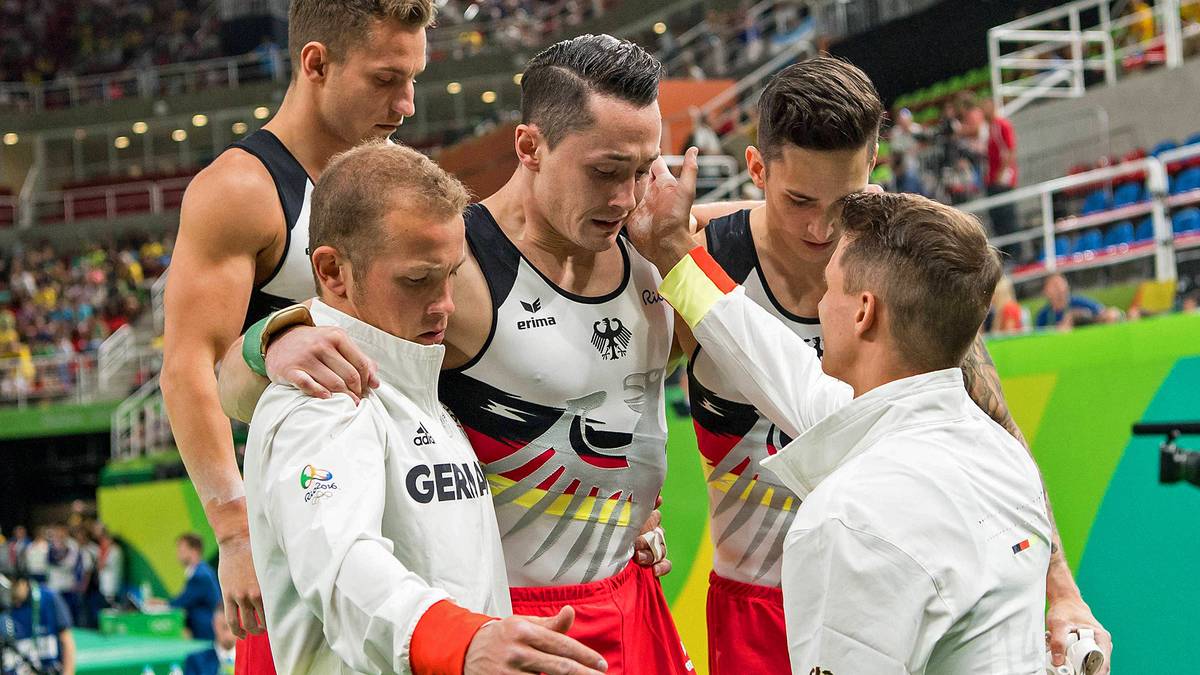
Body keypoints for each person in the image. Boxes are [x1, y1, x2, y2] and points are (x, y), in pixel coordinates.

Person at [220, 35, 706, 673]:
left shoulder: (659, 243)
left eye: (644, 170)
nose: (626, 195)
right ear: (529, 146)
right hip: (495, 617)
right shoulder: (450, 262)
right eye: (605, 171)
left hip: (626, 593)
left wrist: (624, 519)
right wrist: (270, 338)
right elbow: (248, 378)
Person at [636, 56, 1110, 675]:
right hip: (754, 604)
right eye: (799, 199)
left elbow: (992, 422)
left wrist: (1063, 590)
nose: (822, 226)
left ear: (875, 166)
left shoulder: (907, 254)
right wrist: (637, 503)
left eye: (846, 199)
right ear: (756, 168)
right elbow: (628, 387)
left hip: (895, 576)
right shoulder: (699, 245)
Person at [642, 190, 1053, 672]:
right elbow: (771, 357)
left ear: (864, 311)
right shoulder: (1006, 459)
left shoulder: (848, 518)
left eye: (830, 286)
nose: (818, 303)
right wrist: (674, 248)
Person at [242, 141, 605, 675]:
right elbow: (340, 563)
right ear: (333, 271)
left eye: (451, 273)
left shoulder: (421, 390)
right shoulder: (319, 400)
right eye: (417, 279)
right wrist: (460, 642)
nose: (445, 304)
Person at [160, 1, 435, 670]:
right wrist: (232, 532)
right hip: (301, 530)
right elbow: (189, 364)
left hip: (405, 516)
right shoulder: (241, 190)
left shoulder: (397, 181)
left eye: (415, 79)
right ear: (316, 63)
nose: (406, 103)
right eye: (385, 79)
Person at [0, 572, 76, 675]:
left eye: (11, 586)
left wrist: (68, 672)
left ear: (23, 583)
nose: (7, 592)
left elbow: (66, 640)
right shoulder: (5, 609)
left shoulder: (49, 598)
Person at [982, 97, 1020, 260]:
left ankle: (1015, 255)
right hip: (994, 180)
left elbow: (1009, 151)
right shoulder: (990, 128)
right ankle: (1007, 256)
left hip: (1001, 181)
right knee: (998, 220)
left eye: (985, 107)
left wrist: (1000, 175)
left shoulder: (1001, 125)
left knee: (1007, 218)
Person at [170, 533, 221, 641]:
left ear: (194, 551)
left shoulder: (200, 575)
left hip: (206, 632)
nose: (178, 554)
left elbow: (181, 602)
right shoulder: (199, 572)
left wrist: (161, 604)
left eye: (181, 550)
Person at [1035, 273, 1112, 328]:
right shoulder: (1043, 315)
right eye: (1054, 285)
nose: (1059, 288)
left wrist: (1079, 316)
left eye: (1061, 284)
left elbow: (1106, 314)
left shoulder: (1080, 302)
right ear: (1045, 291)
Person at [184, 608, 238, 675]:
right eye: (224, 627)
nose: (226, 620)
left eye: (230, 627)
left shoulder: (250, 661)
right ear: (214, 624)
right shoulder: (196, 661)